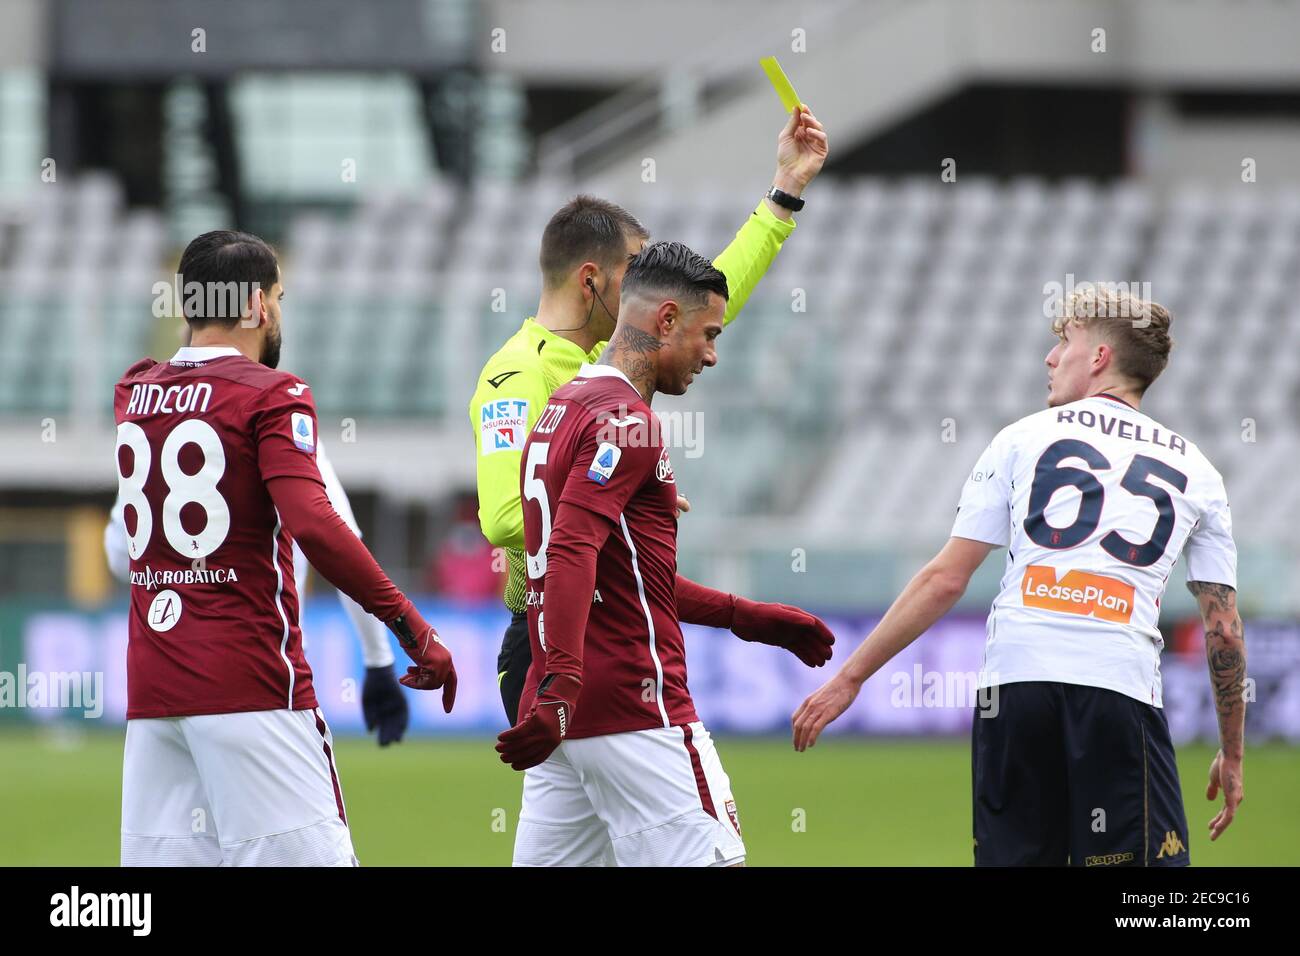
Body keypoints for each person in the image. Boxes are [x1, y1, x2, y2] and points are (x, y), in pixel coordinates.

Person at [792, 285, 1245, 867]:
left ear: (1100, 358)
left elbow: (945, 580)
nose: (1050, 358)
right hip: (1117, 693)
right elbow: (1224, 631)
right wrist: (1231, 754)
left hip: (1015, 691)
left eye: (1065, 342)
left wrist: (850, 678)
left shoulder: (1021, 438)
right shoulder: (1198, 471)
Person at [471, 105, 829, 724]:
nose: (650, 289)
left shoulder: (614, 362)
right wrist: (611, 495)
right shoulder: (518, 373)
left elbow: (698, 311)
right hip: (548, 636)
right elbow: (505, 518)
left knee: (576, 824)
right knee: (675, 812)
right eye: (633, 272)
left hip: (609, 623)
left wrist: (783, 196)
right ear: (591, 281)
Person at [113, 230, 455, 866]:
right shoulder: (272, 394)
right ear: (256, 308)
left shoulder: (135, 394)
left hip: (154, 697)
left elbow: (122, 545)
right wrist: (408, 626)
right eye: (277, 296)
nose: (278, 311)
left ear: (189, 308)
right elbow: (322, 526)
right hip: (251, 683)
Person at [496, 241, 835, 867]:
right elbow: (571, 546)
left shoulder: (561, 411)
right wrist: (565, 684)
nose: (711, 354)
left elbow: (616, 573)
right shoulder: (628, 421)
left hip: (567, 723)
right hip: (633, 703)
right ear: (666, 319)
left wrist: (744, 616)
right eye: (708, 334)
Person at [106, 348, 411, 747]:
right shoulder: (266, 408)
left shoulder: (147, 417)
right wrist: (379, 659)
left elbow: (116, 554)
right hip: (258, 677)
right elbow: (337, 537)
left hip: (158, 689)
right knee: (315, 814)